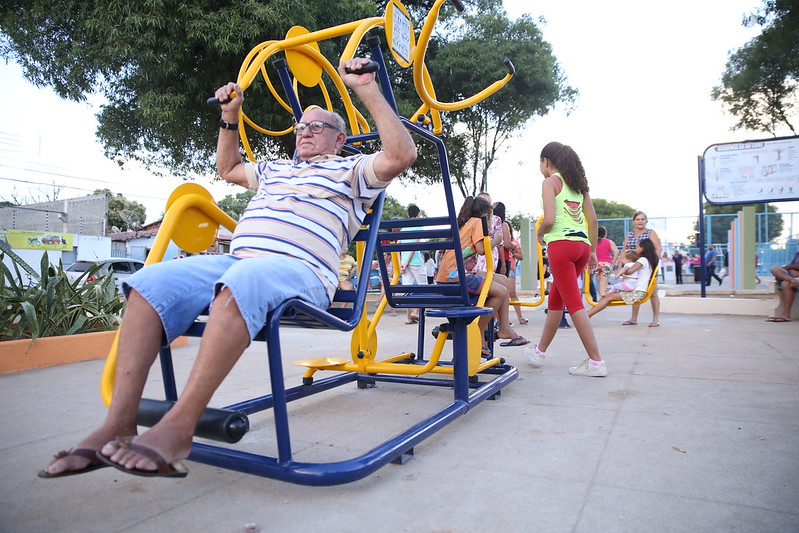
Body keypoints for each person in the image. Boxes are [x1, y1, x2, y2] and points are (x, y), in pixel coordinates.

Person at [38, 57, 417, 479]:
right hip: (237, 260)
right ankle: (119, 421)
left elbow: (401, 155)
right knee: (149, 281)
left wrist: (367, 88)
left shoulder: (351, 170)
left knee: (241, 279)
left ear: (339, 138)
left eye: (316, 127)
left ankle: (180, 427)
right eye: (300, 127)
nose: (304, 132)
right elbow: (228, 168)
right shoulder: (275, 169)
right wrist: (230, 115)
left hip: (301, 270)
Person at [529, 142, 605, 377]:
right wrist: (592, 251)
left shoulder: (550, 183)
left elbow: (549, 219)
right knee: (556, 300)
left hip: (561, 246)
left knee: (574, 305)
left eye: (540, 163)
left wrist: (539, 233)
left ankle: (596, 362)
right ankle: (539, 352)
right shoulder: (578, 187)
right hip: (581, 246)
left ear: (546, 161)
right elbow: (592, 221)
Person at [435, 196, 529, 352]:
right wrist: (495, 240)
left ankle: (504, 327)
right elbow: (480, 250)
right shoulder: (477, 222)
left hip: (451, 276)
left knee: (503, 280)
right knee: (501, 292)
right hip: (457, 278)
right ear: (486, 215)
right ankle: (478, 330)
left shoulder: (464, 224)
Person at [587, 239, 659, 318]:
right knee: (607, 295)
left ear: (642, 248)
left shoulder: (643, 260)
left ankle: (587, 315)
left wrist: (625, 267)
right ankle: (588, 314)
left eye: (637, 247)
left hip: (637, 293)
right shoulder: (649, 261)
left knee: (607, 297)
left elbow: (629, 271)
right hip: (639, 292)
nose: (635, 249)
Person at [623, 211, 662, 327]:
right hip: (634, 267)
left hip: (647, 267)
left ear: (646, 221)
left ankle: (655, 319)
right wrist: (621, 266)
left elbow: (658, 249)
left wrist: (653, 265)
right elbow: (624, 250)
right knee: (635, 290)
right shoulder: (630, 234)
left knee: (652, 292)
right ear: (633, 221)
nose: (640, 221)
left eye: (642, 219)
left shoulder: (651, 233)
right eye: (638, 219)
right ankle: (633, 318)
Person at [399, 204, 427, 324]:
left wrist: (402, 263)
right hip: (414, 261)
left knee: (407, 289)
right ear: (418, 214)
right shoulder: (418, 227)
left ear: (408, 215)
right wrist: (406, 262)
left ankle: (408, 317)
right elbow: (414, 247)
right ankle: (416, 312)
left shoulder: (403, 229)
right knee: (422, 286)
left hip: (404, 263)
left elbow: (399, 246)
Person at [766, 250, 799, 322]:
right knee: (774, 268)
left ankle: (786, 315)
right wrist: (792, 271)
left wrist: (790, 267)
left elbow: (788, 266)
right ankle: (793, 280)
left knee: (785, 283)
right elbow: (787, 268)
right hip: (793, 277)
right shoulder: (797, 254)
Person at [508, 230, 528, 325]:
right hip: (501, 268)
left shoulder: (514, 242)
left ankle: (520, 317)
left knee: (512, 293)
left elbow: (521, 256)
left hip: (510, 268)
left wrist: (514, 254)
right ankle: (500, 321)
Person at [594, 226, 618, 296]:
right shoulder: (609, 242)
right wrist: (613, 264)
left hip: (596, 265)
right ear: (605, 234)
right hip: (606, 264)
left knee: (600, 284)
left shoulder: (593, 243)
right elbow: (616, 252)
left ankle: (601, 299)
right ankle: (602, 299)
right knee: (604, 284)